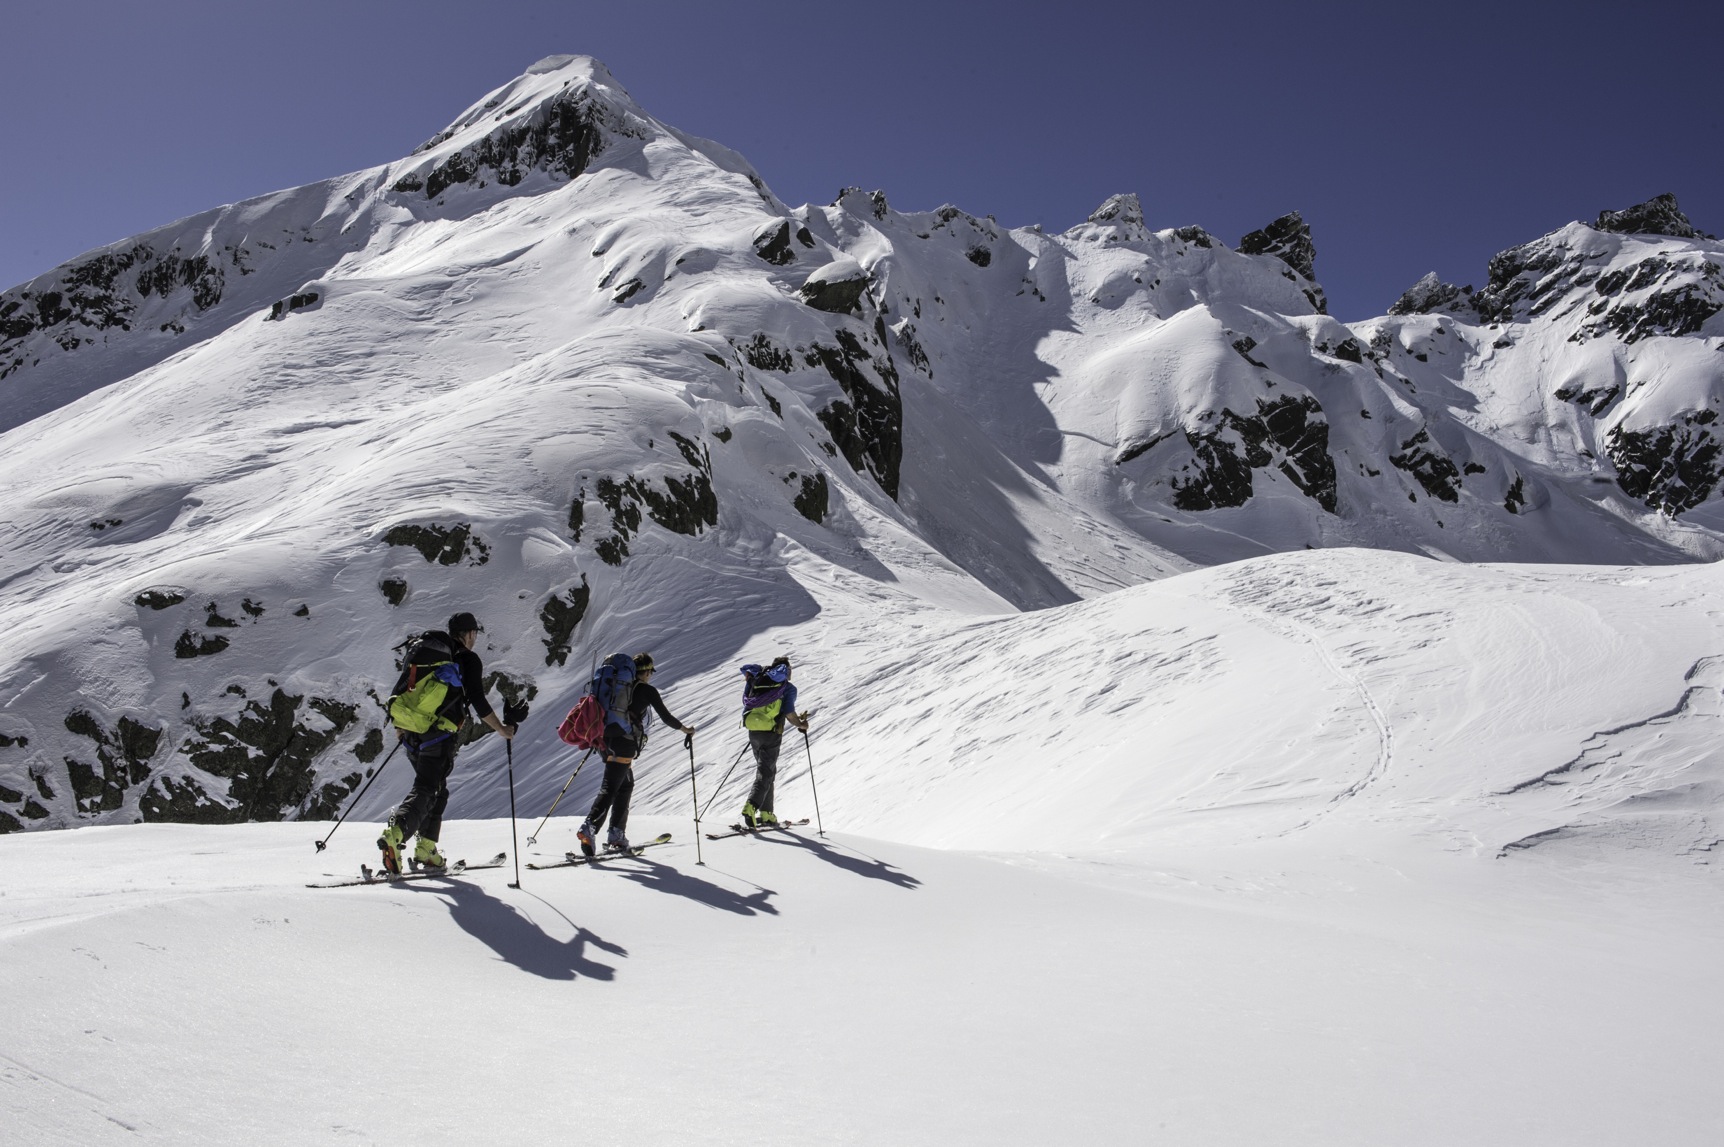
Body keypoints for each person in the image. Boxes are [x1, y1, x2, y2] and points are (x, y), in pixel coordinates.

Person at [378, 612, 518, 873]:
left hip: (411, 730)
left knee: (437, 789)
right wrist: (500, 729)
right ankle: (396, 833)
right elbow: (477, 699)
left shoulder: (424, 653)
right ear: (469, 634)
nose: (474, 639)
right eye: (474, 633)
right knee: (428, 788)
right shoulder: (467, 658)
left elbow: (402, 688)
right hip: (439, 733)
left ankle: (426, 849)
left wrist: (400, 727)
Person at [577, 652, 695, 856]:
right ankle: (590, 828)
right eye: (650, 672)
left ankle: (616, 833)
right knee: (611, 786)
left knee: (625, 784)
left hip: (604, 741)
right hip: (624, 743)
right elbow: (666, 717)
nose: (651, 675)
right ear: (647, 671)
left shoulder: (615, 688)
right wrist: (685, 729)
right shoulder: (646, 690)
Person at [738, 656, 810, 828]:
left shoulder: (758, 682)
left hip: (753, 731)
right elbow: (789, 714)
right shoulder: (787, 688)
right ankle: (751, 807)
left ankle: (766, 813)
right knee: (766, 772)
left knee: (767, 770)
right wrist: (801, 724)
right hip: (771, 733)